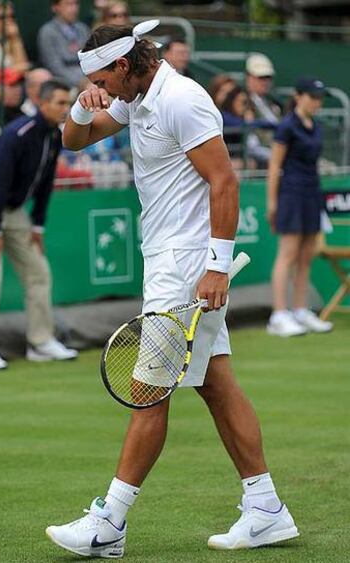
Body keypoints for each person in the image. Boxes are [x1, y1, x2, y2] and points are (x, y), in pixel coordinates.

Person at [45, 21, 299, 557]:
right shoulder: (136, 97)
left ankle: (109, 523)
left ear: (123, 65)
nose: (102, 88)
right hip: (166, 260)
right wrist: (82, 103)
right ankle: (267, 508)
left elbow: (224, 181)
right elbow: (74, 139)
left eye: (101, 79)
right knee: (216, 385)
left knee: (148, 392)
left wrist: (215, 266)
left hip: (186, 267)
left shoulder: (181, 98)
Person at [0, 80, 78, 370]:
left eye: (68, 103)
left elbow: (46, 183)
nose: (66, 109)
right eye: (61, 103)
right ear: (42, 103)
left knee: (38, 271)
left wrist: (38, 225)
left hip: (13, 209)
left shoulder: (54, 136)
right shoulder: (17, 134)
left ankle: (40, 343)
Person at [266, 77, 334, 337]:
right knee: (288, 254)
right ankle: (279, 315)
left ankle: (300, 310)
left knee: (307, 255)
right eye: (312, 97)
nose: (316, 102)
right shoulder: (286, 127)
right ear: (298, 96)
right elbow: (274, 166)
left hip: (312, 193)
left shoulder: (315, 126)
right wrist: (272, 203)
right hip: (291, 194)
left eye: (319, 98)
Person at [37, 0, 90, 90]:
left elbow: (90, 59)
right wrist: (80, 82)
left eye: (76, 3)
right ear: (55, 7)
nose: (74, 8)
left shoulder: (83, 29)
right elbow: (55, 67)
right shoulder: (47, 32)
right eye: (68, 4)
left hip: (89, 79)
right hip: (63, 84)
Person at [245, 53, 282, 167]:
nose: (265, 82)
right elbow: (251, 144)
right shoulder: (244, 103)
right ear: (249, 78)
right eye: (261, 77)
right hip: (264, 157)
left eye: (268, 78)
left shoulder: (272, 103)